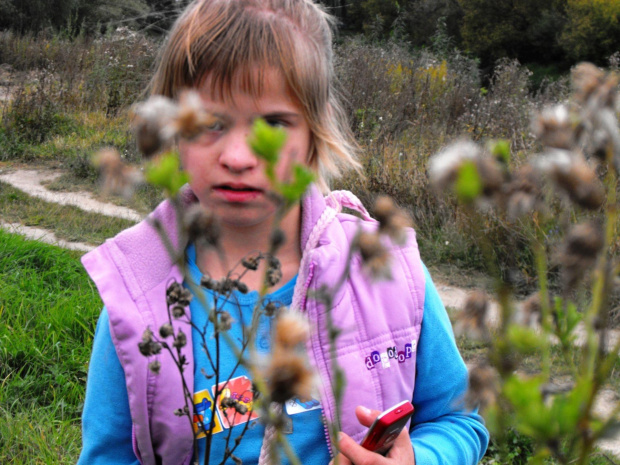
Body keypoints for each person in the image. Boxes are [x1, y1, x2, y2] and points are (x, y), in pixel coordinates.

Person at [77, 0, 490, 464]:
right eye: (209, 123)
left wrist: (422, 459)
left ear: (316, 134)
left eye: (273, 124)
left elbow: (460, 421)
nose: (238, 155)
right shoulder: (139, 304)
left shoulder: (389, 270)